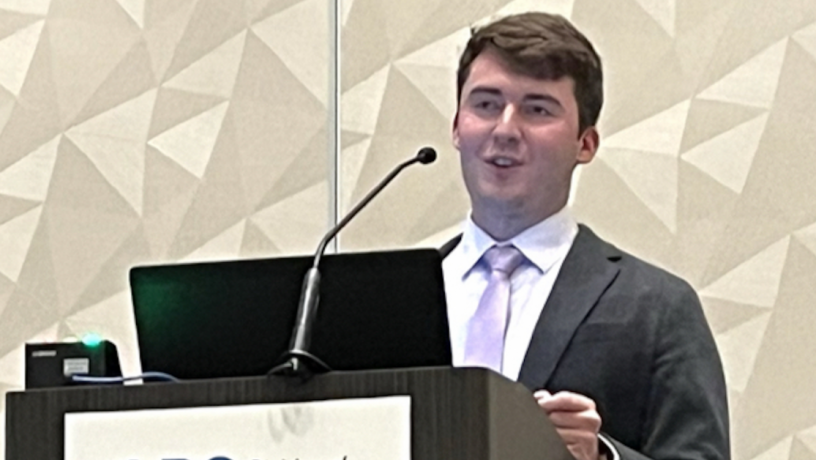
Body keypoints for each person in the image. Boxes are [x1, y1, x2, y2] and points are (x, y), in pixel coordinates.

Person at [440, 12, 729, 460]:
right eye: (486, 104)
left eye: (537, 109)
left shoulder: (657, 306)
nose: (505, 129)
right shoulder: (391, 301)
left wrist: (602, 457)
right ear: (457, 127)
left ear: (586, 144)